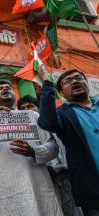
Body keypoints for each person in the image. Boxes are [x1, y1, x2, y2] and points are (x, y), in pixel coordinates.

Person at [0, 79, 63, 216]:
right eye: (0, 89)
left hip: (38, 186)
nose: (5, 89)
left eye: (8, 87)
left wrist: (34, 152)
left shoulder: (33, 116)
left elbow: (53, 148)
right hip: (6, 190)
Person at [37, 68, 99, 215]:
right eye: (68, 81)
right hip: (93, 192)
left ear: (86, 83)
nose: (75, 81)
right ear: (61, 93)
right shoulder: (63, 115)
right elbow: (48, 122)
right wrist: (47, 84)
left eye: (78, 77)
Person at [18, 95, 83, 216]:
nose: (28, 110)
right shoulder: (23, 133)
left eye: (31, 106)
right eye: (23, 108)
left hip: (69, 176)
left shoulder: (56, 123)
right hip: (46, 180)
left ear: (39, 108)